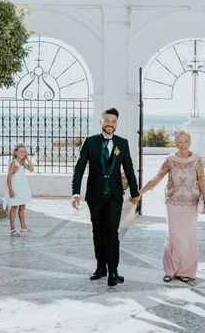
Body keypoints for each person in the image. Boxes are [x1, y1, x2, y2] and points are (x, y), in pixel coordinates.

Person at [71, 108, 140, 287]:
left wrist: (134, 192)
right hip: (95, 195)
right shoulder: (90, 142)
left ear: (116, 124)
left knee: (112, 233)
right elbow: (79, 168)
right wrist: (76, 193)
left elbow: (129, 169)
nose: (110, 123)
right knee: (98, 233)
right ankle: (101, 267)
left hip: (114, 196)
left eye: (114, 121)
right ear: (101, 121)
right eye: (107, 120)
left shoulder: (122, 143)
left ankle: (113, 271)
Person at [139, 130, 205, 283]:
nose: (182, 145)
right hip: (173, 203)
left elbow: (202, 181)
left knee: (188, 237)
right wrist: (140, 192)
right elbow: (157, 177)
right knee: (174, 236)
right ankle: (170, 269)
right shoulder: (170, 160)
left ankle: (187, 271)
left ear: (190, 142)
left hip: (191, 204)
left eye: (185, 141)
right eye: (179, 142)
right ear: (174, 143)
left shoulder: (197, 160)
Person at [3, 144, 33, 236]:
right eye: (21, 151)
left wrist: (27, 159)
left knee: (22, 207)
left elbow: (31, 169)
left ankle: (23, 227)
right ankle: (12, 229)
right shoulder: (14, 163)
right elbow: (9, 178)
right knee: (14, 207)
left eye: (24, 152)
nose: (23, 153)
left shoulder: (22, 163)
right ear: (16, 153)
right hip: (15, 189)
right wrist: (10, 190)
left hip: (22, 188)